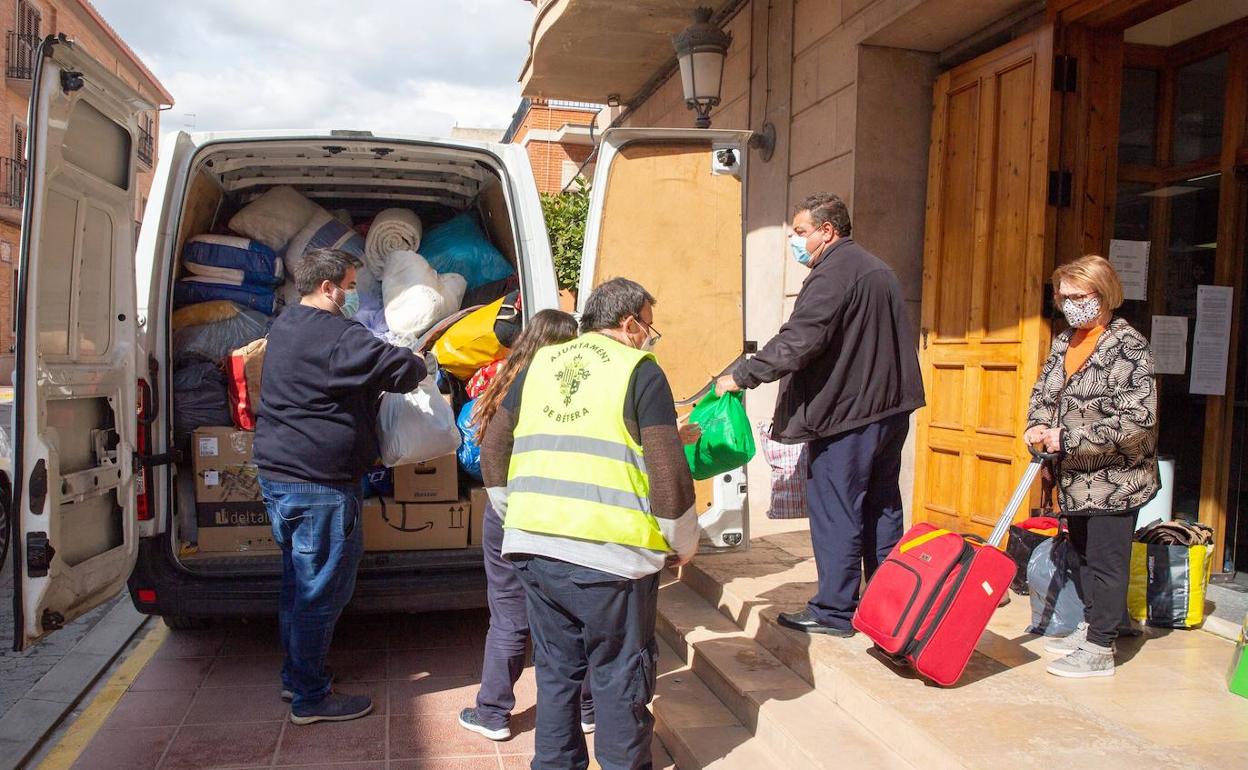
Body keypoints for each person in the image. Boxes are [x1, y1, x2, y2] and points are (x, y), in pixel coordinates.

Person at [484, 277, 698, 770]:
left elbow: (495, 446)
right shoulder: (639, 371)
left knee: (557, 672)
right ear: (629, 323)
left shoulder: (539, 364)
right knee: (620, 676)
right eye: (649, 327)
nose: (649, 338)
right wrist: (682, 541)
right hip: (611, 560)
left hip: (536, 552)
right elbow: (667, 470)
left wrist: (514, 514)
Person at [716, 192, 925, 637]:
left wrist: (743, 375)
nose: (795, 241)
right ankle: (888, 606)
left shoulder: (833, 273)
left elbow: (799, 340)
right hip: (889, 410)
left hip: (848, 415)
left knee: (837, 509)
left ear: (827, 231)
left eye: (800, 232)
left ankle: (834, 611)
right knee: (882, 506)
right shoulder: (878, 269)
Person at [254, 248, 426, 724]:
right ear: (327, 287)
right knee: (320, 592)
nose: (353, 295)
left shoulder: (286, 323)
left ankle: (296, 677)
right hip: (320, 486)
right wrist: (421, 362)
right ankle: (310, 696)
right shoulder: (337, 335)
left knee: (298, 584)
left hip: (279, 477)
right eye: (350, 286)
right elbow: (401, 371)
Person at [457, 309, 590, 742]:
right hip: (563, 513)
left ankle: (493, 713)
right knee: (575, 613)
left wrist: (506, 507)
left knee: (509, 615)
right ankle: (587, 707)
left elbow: (488, 453)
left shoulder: (504, 383)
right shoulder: (575, 391)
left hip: (510, 512)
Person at [1024, 255, 1158, 679]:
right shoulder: (1065, 341)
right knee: (1082, 555)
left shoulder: (1128, 346)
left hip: (1114, 478)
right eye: (1063, 297)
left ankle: (1100, 648)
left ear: (1103, 294)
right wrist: (1037, 424)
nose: (1070, 305)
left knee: (1106, 562)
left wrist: (1069, 438)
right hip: (1074, 479)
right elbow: (1045, 392)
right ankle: (1095, 624)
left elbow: (1138, 420)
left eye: (1078, 296)